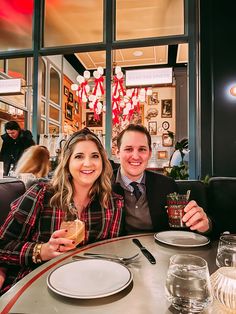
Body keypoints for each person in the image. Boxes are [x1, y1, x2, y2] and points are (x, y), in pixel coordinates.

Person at [0, 128, 123, 295]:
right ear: (67, 162)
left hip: (91, 288)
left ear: (103, 162)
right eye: (79, 156)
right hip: (37, 288)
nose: (88, 163)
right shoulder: (40, 194)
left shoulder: (114, 203)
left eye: (95, 156)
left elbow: (110, 253)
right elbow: (3, 245)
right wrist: (41, 251)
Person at [112, 124, 210, 234]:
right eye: (128, 149)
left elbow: (182, 229)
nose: (135, 156)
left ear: (149, 154)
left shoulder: (166, 185)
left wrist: (204, 225)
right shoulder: (103, 185)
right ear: (117, 153)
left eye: (142, 149)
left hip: (158, 248)